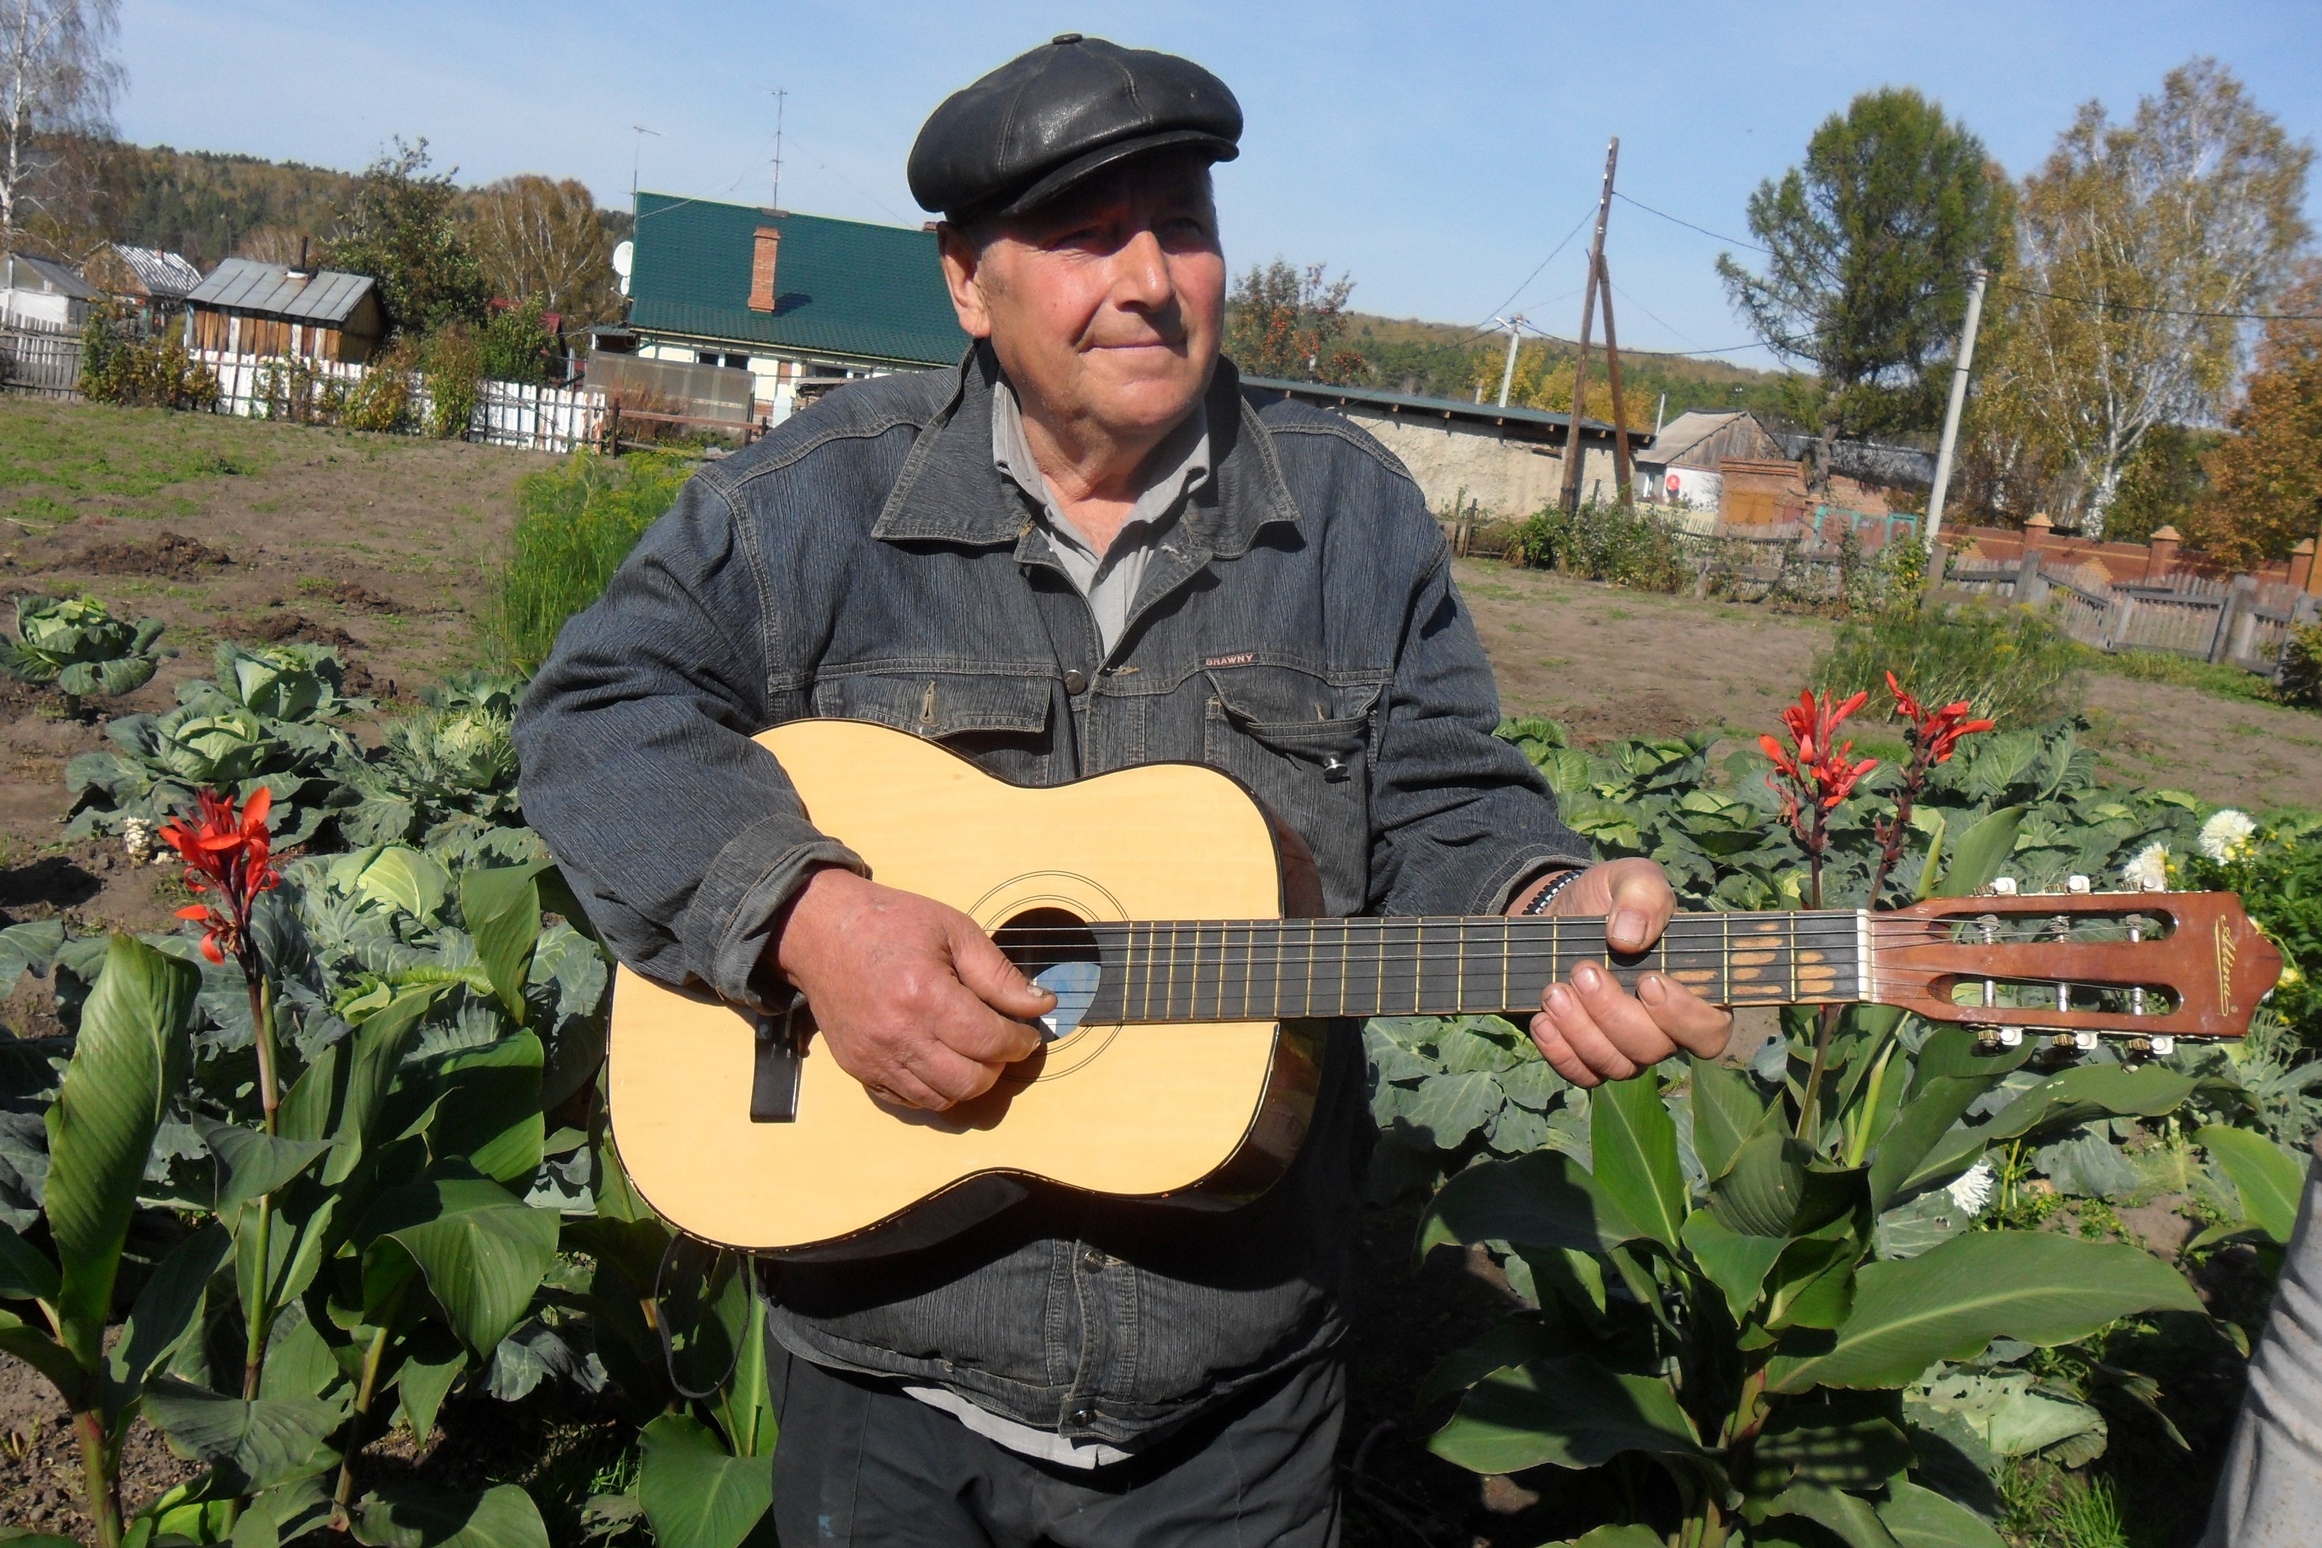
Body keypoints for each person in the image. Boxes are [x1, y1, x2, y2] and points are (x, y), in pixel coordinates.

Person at [515, 34, 1733, 1547]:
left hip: (1235, 1403)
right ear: (967, 281)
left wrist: (1543, 900)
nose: (1152, 277)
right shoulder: (808, 506)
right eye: (1090, 236)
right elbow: (592, 714)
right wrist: (811, 920)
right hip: (888, 1371)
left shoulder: (1351, 521)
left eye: (1185, 226)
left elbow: (1440, 801)